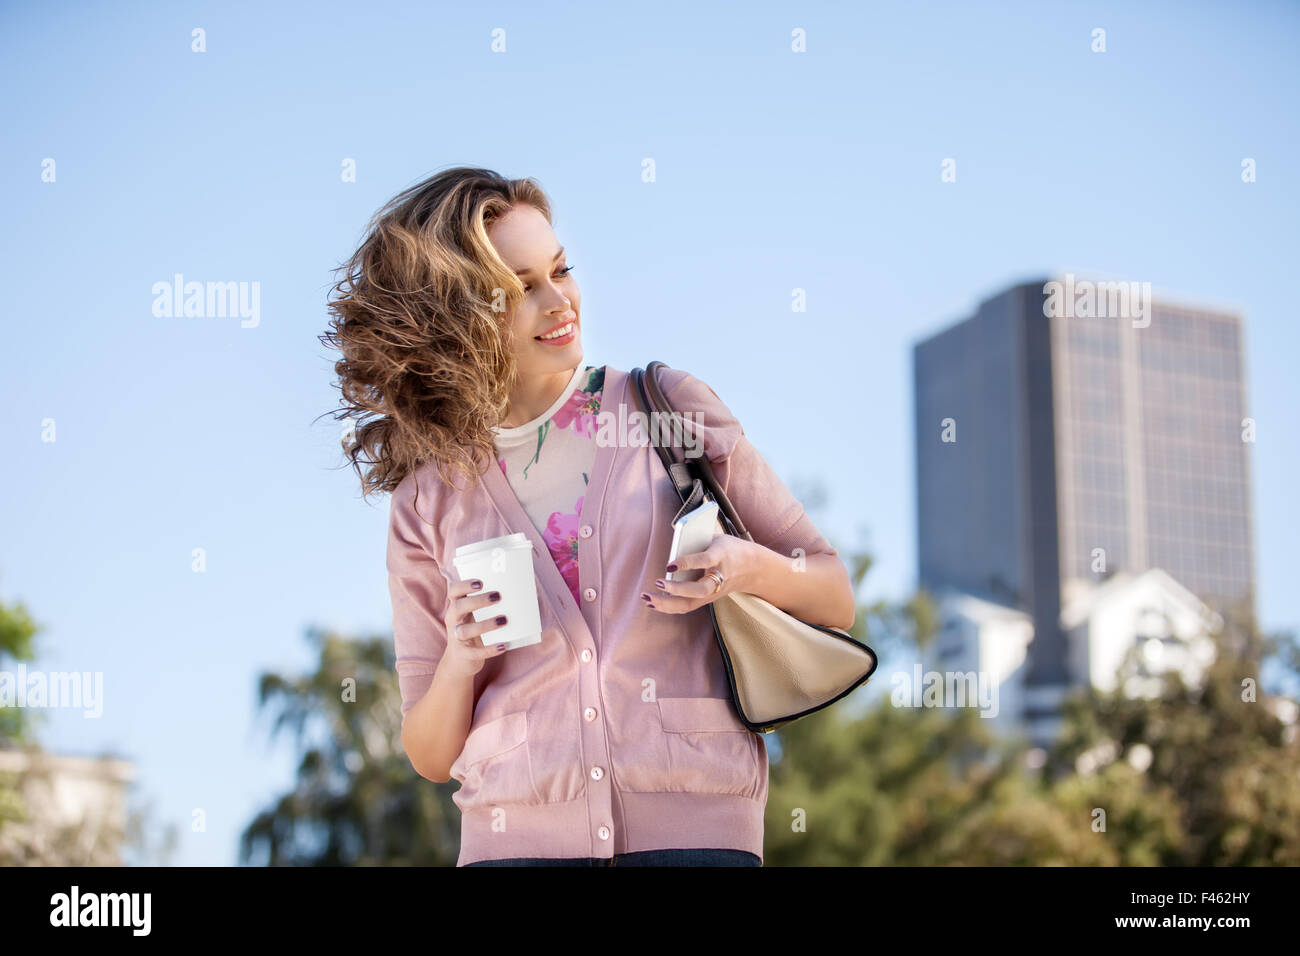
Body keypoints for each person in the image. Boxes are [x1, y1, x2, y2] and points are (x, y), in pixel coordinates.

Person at [321, 166, 855, 866]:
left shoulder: (668, 409)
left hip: (698, 838)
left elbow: (833, 593)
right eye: (517, 289)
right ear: (454, 321)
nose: (557, 301)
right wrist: (461, 658)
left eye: (560, 270)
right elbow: (428, 753)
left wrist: (744, 566)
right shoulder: (428, 498)